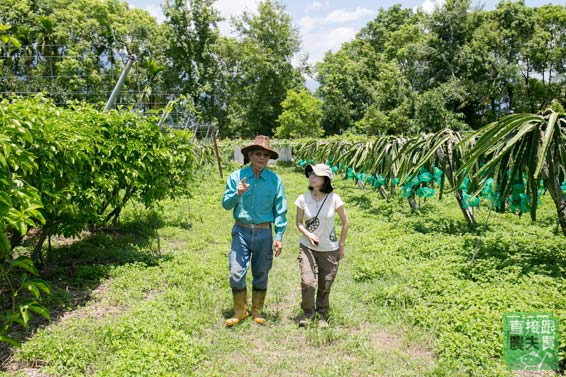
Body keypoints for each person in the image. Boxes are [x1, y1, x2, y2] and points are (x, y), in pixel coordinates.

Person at [222, 135, 288, 326]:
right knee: (236, 272)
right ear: (250, 155)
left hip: (264, 233)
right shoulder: (236, 177)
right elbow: (226, 205)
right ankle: (240, 310)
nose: (261, 158)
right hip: (241, 231)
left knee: (261, 272)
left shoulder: (275, 180)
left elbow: (280, 210)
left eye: (265, 155)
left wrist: (279, 236)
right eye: (258, 154)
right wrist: (237, 193)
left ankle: (257, 310)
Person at [294, 163, 349, 328]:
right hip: (307, 246)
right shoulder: (303, 198)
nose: (311, 176)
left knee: (326, 283)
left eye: (316, 175)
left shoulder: (334, 199)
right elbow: (298, 223)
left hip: (329, 248)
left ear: (325, 179)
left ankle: (322, 314)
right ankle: (308, 312)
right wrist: (308, 234)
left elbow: (346, 223)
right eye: (310, 174)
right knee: (308, 282)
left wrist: (341, 245)